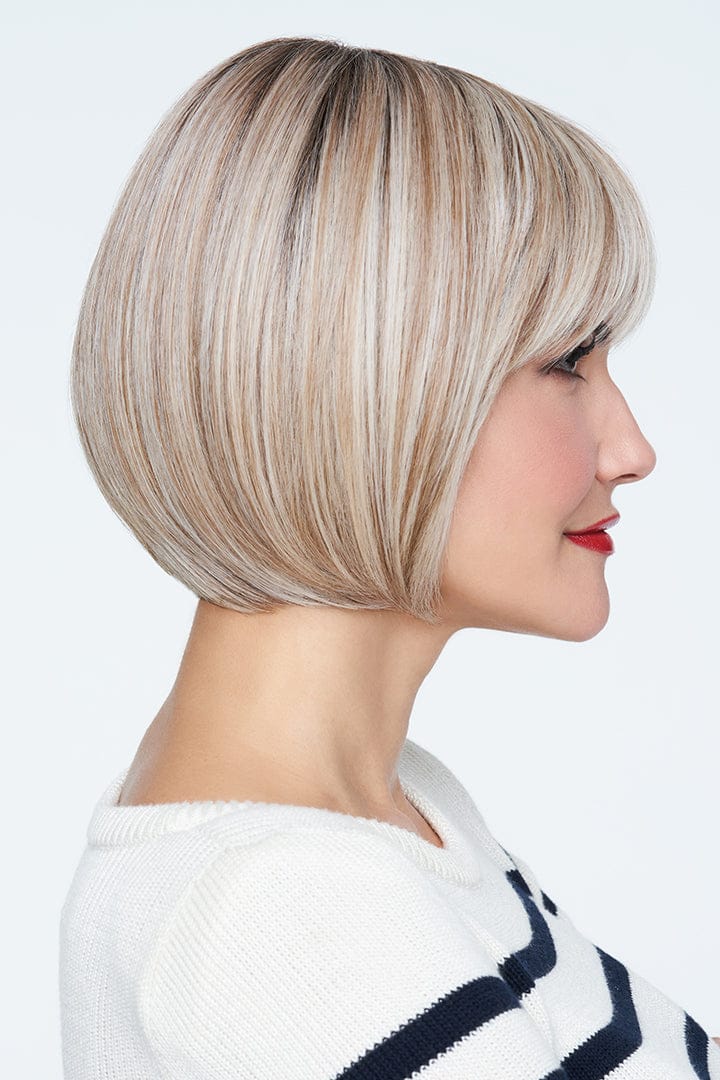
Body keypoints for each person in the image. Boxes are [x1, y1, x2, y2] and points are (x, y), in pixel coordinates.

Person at [59, 35, 720, 1079]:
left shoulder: (391, 813)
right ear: (370, 378)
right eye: (568, 362)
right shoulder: (286, 912)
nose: (631, 450)